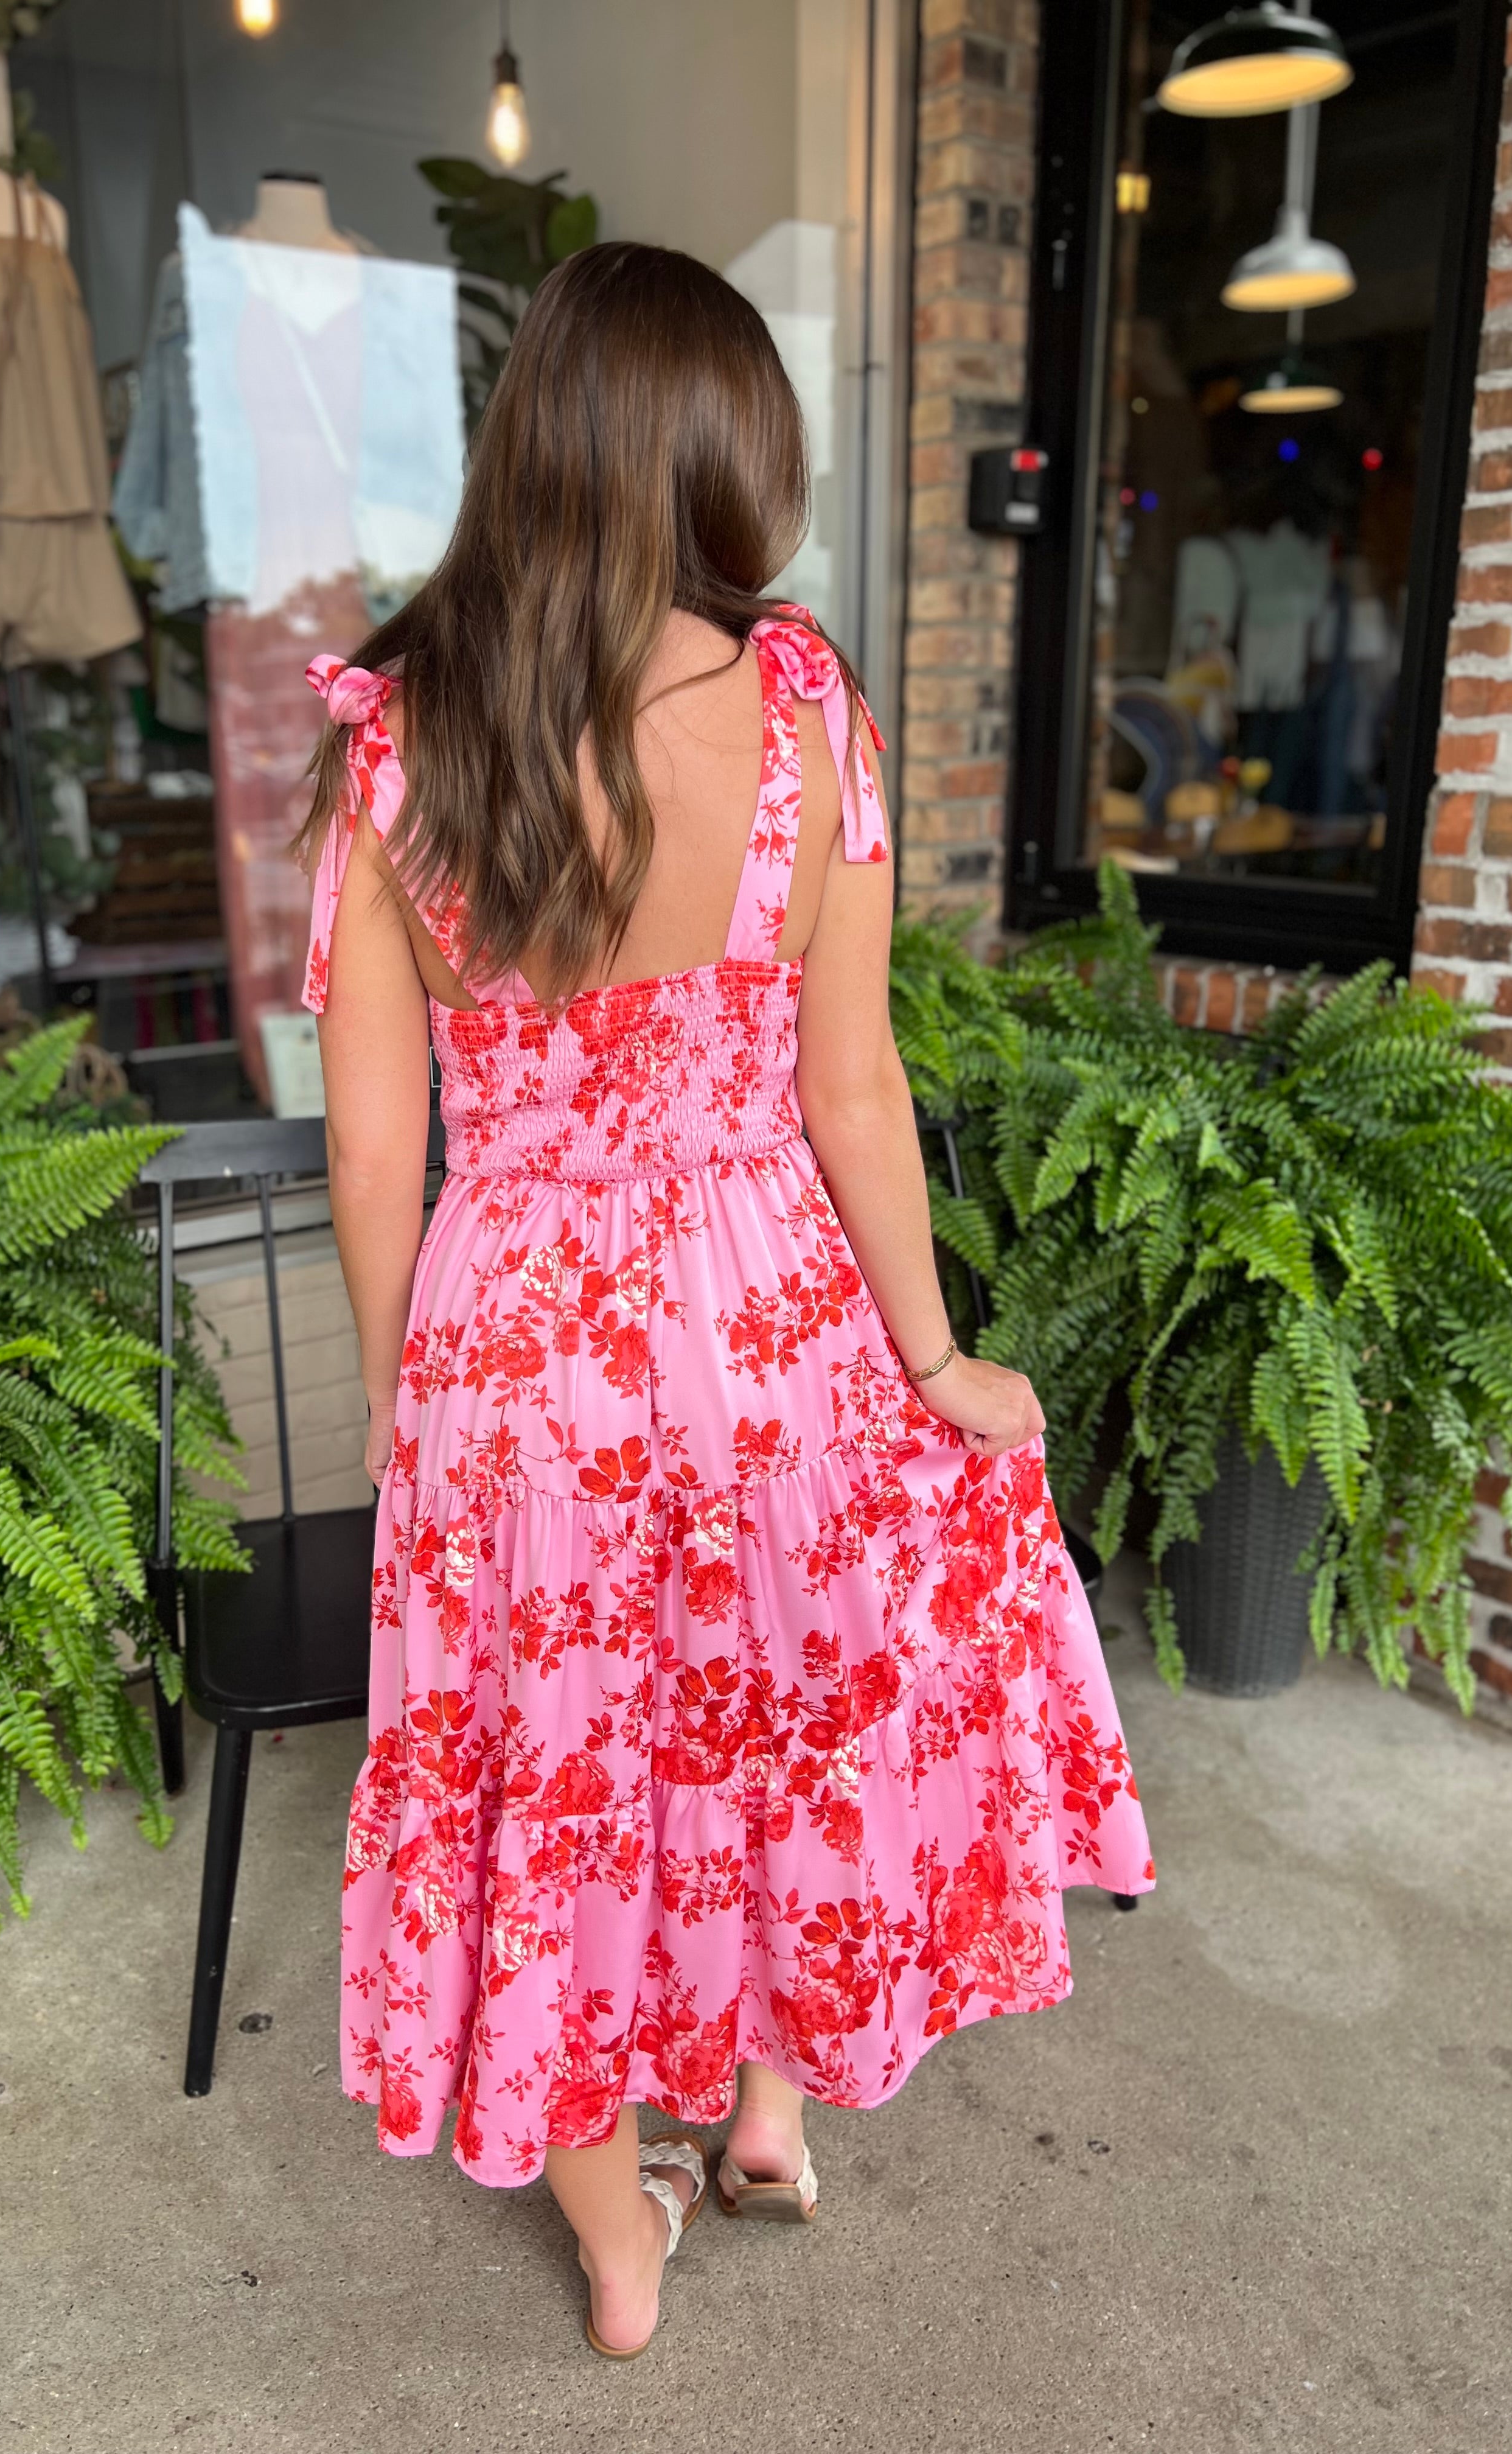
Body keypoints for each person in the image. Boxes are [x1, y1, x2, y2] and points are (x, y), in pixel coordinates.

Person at [300, 240, 1154, 2361]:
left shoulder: (395, 740)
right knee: (786, 1717)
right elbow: (854, 1091)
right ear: (719, 455)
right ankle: (768, 2105)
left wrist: (429, 1409)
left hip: (516, 1347)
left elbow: (370, 1157)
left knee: (560, 1787)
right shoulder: (801, 712)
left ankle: (620, 2246)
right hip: (770, 1323)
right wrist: (943, 1363)